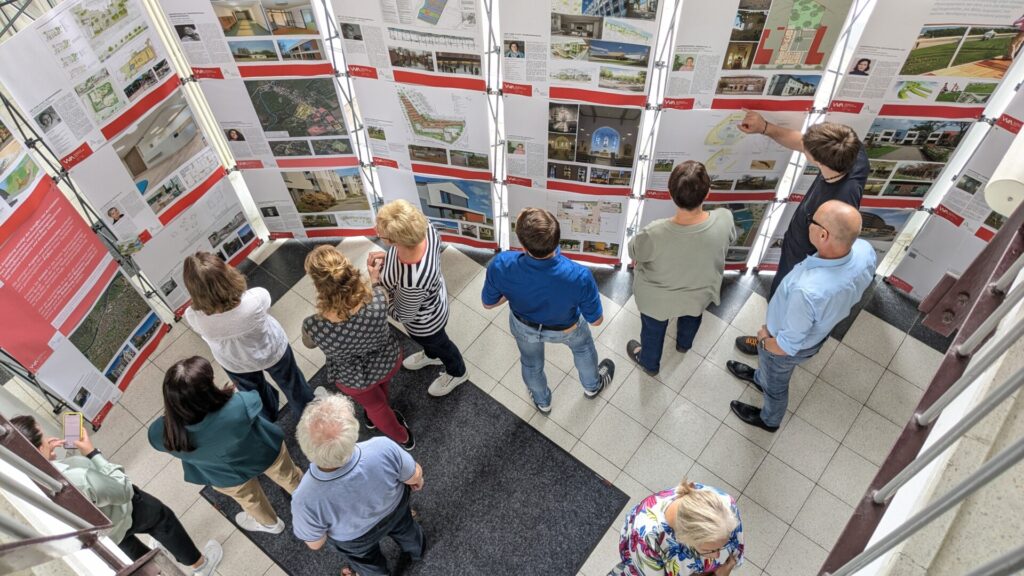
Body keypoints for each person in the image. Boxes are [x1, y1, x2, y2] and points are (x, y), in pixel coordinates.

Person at [726, 201, 876, 431]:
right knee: (770, 371)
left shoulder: (807, 292)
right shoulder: (865, 250)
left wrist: (764, 340)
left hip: (782, 346)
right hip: (817, 334)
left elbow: (786, 346)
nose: (808, 224)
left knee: (776, 387)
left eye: (811, 221)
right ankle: (760, 378)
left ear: (823, 235)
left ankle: (769, 420)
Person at [12, 415, 223, 576]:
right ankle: (199, 565)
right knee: (162, 520)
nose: (50, 439)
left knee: (141, 559)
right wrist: (92, 453)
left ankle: (164, 567)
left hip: (108, 536)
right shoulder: (77, 478)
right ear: (36, 450)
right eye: (44, 439)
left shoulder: (24, 484)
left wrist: (54, 457)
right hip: (126, 511)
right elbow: (122, 490)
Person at [733, 111, 867, 355]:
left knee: (786, 306)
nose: (802, 146)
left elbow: (833, 249)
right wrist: (765, 127)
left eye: (807, 150)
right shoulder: (851, 153)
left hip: (804, 261)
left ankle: (768, 343)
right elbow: (801, 141)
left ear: (818, 161)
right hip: (798, 251)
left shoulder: (837, 205)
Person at [148, 357, 303, 534]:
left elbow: (157, 442)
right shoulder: (238, 404)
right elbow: (255, 400)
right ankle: (307, 497)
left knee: (250, 500)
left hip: (224, 475)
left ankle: (271, 524)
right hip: (263, 452)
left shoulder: (160, 433)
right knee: (289, 477)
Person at [482, 208, 615, 412]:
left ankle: (542, 402)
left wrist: (511, 291)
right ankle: (592, 386)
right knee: (583, 349)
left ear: (523, 244)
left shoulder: (501, 264)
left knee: (531, 364)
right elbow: (596, 321)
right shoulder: (579, 275)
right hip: (567, 328)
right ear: (557, 238)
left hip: (524, 326)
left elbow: (488, 304)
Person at [291, 394, 426, 576]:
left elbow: (315, 543)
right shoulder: (383, 447)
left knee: (367, 563)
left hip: (355, 539)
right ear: (353, 431)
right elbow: (414, 476)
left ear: (304, 446)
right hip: (396, 510)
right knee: (408, 532)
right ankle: (417, 551)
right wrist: (417, 480)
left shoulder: (303, 499)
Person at [626, 161, 735, 375]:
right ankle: (683, 345)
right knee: (692, 317)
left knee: (652, 331)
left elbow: (634, 252)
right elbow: (729, 239)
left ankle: (649, 364)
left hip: (657, 300)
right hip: (698, 294)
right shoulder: (724, 218)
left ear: (671, 193)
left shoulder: (654, 232)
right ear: (708, 192)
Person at [302, 245, 414, 450]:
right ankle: (379, 415)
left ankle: (402, 437)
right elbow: (379, 292)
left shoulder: (313, 324)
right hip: (386, 361)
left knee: (376, 406)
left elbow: (308, 344)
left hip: (352, 378)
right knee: (382, 388)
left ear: (319, 286)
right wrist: (374, 279)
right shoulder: (377, 300)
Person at [182, 252, 313, 422]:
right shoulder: (255, 299)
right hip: (272, 351)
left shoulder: (193, 316)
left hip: (235, 363)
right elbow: (265, 300)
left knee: (255, 395)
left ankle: (270, 417)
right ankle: (308, 415)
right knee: (293, 384)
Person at [367, 200, 470, 397]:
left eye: (381, 234)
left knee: (441, 345)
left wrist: (376, 284)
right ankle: (431, 355)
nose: (376, 231)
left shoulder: (413, 280)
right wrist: (389, 259)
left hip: (425, 324)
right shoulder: (425, 227)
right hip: (434, 299)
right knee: (434, 346)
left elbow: (402, 315)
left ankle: (457, 372)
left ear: (397, 241)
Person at [613, 478, 744, 575]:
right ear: (684, 538)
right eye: (710, 550)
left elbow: (736, 551)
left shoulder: (726, 506)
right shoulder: (646, 538)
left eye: (721, 546)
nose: (717, 556)